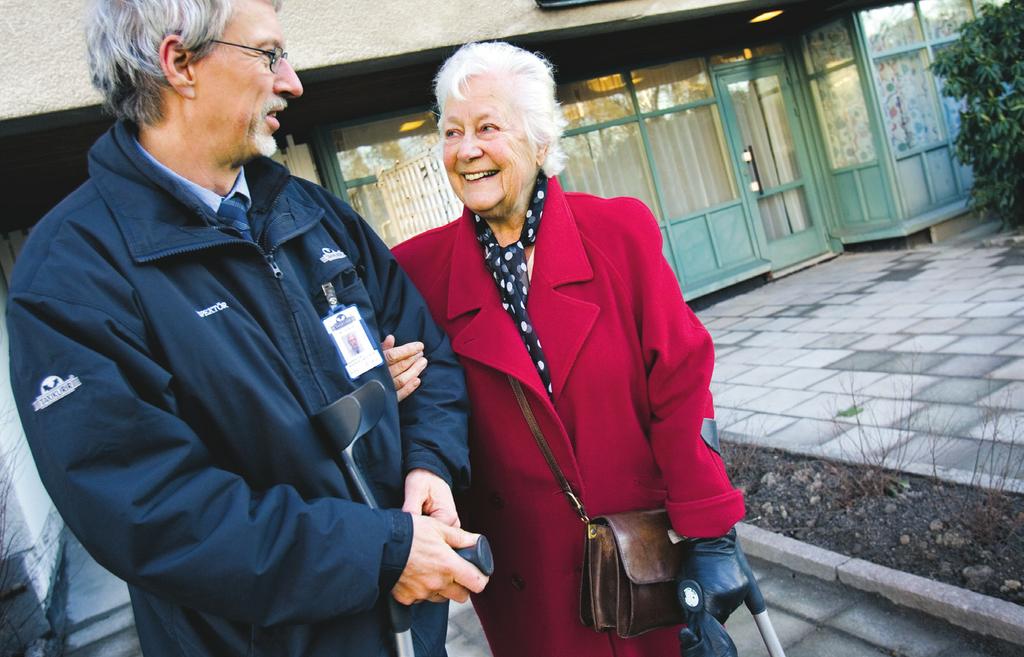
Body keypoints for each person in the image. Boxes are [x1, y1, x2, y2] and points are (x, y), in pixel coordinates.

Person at [6, 1, 488, 655]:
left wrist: (427, 462)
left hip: (410, 632)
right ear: (179, 63)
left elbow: (426, 352)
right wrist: (382, 553)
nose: (292, 81)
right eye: (268, 54)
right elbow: (157, 514)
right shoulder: (71, 275)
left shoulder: (309, 210)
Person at [392, 41, 749, 657]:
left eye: (487, 127)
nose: (467, 149)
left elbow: (681, 385)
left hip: (643, 560)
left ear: (537, 138)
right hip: (528, 588)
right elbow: (416, 411)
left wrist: (710, 534)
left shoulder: (618, 232)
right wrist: (385, 384)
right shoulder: (414, 272)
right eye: (452, 132)